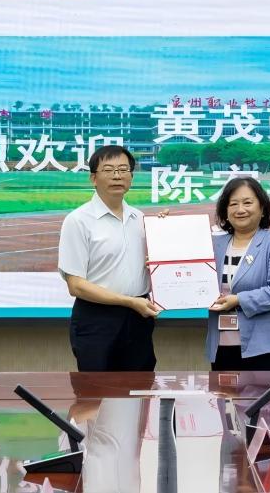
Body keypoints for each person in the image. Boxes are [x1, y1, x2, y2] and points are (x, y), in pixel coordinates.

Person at [58, 144, 160, 371]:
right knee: (98, 388)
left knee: (140, 386)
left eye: (123, 170)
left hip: (139, 317)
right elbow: (76, 286)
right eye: (109, 170)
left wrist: (165, 231)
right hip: (97, 319)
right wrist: (129, 301)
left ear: (131, 177)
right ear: (93, 178)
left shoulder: (140, 218)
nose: (117, 176)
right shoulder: (78, 221)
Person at [207, 177, 270, 371]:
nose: (240, 209)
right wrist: (162, 228)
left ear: (262, 208)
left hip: (266, 347)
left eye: (247, 203)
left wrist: (239, 300)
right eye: (233, 204)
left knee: (268, 393)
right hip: (222, 346)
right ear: (225, 211)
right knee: (224, 391)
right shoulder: (213, 245)